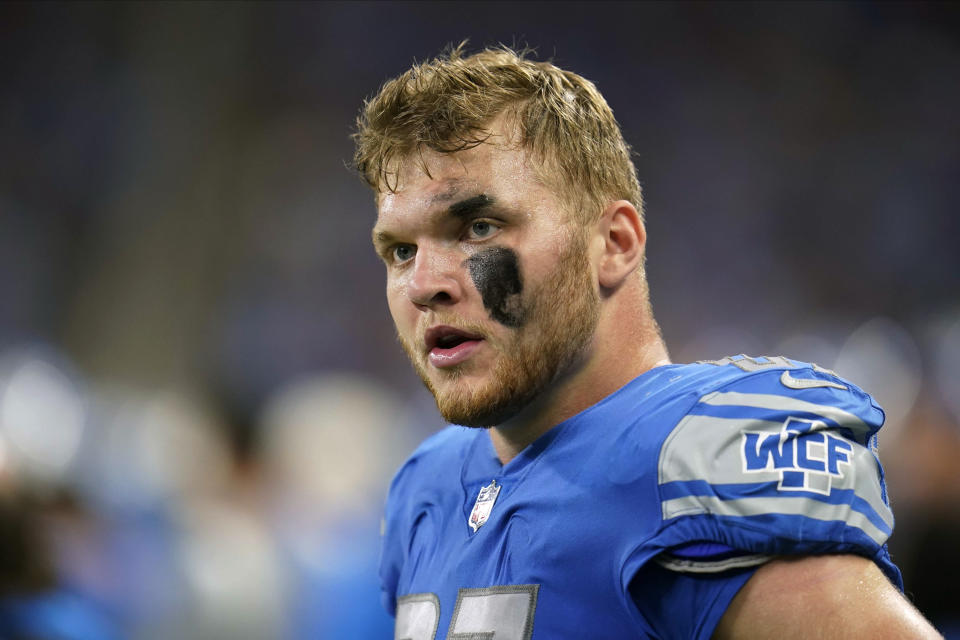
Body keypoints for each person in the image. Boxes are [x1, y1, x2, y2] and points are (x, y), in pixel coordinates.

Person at [352, 44, 942, 639]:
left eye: (479, 227)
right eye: (401, 250)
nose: (424, 285)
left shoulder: (697, 459)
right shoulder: (424, 488)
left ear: (614, 243)